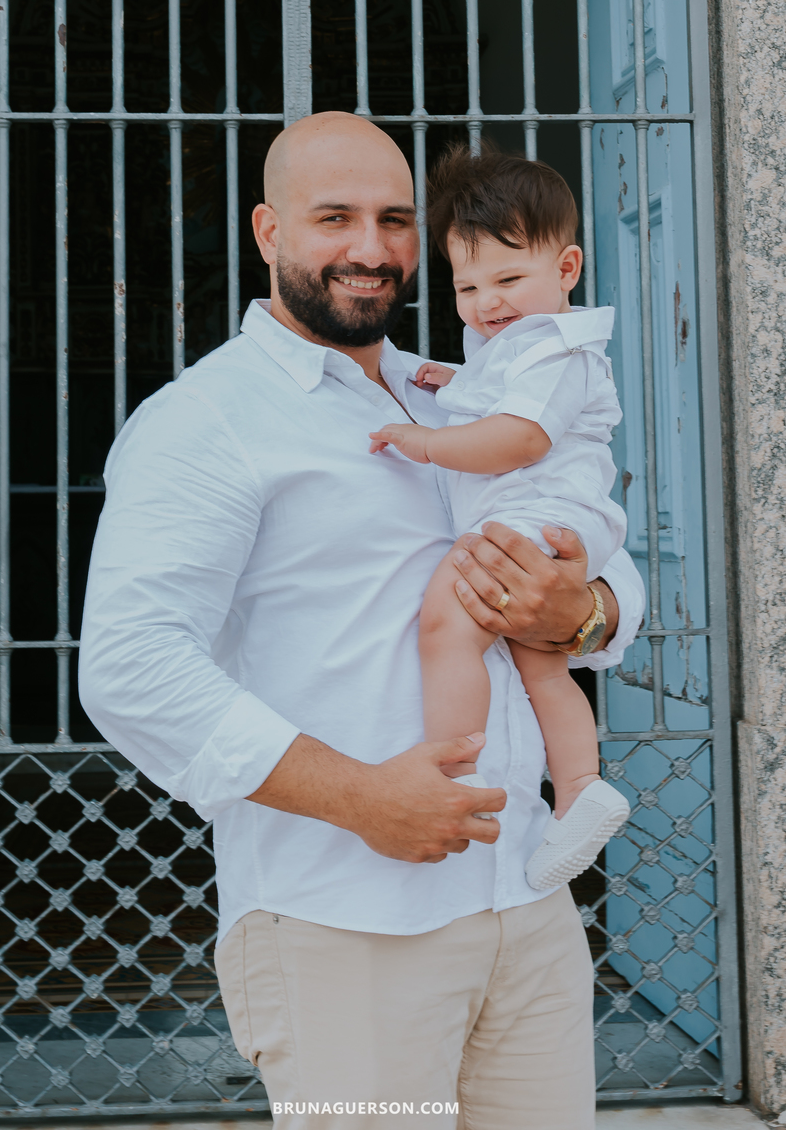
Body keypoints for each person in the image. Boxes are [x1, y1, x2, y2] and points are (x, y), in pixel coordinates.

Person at [79, 112, 645, 1127]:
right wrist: (361, 798)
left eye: (393, 220)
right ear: (267, 232)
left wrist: (587, 613)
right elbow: (130, 666)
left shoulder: (469, 392)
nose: (371, 247)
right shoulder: (205, 422)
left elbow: (600, 563)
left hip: (526, 905)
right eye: (334, 217)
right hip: (347, 925)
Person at [369, 143, 631, 893]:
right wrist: (453, 380)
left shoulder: (554, 349)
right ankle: (580, 786)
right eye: (468, 285)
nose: (487, 302)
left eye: (510, 278)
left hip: (530, 515)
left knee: (446, 625)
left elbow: (519, 435)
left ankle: (451, 766)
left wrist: (426, 437)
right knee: (539, 659)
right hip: (549, 523)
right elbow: (500, 392)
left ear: (568, 269)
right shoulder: (515, 348)